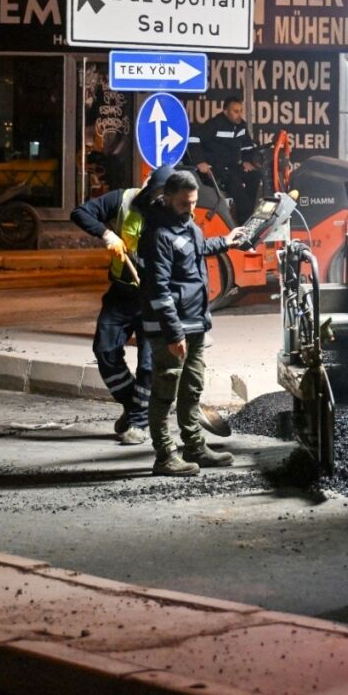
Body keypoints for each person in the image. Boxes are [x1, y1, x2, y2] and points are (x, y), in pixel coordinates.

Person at [140, 170, 248, 476]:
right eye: (185, 203)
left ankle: (194, 447)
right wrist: (174, 334)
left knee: (192, 388)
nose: (191, 208)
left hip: (196, 323)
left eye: (194, 202)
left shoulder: (187, 225)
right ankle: (164, 456)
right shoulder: (157, 235)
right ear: (168, 197)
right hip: (170, 330)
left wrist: (226, 242)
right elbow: (159, 291)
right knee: (165, 391)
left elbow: (196, 249)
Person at [70, 164, 171, 445]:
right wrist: (107, 234)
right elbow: (80, 213)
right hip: (121, 294)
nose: (158, 201)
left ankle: (139, 422)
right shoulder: (124, 199)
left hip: (153, 299)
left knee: (149, 366)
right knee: (105, 351)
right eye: (156, 194)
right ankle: (134, 406)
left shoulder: (174, 213)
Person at [188, 97, 261, 221]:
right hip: (215, 169)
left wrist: (247, 161)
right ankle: (244, 221)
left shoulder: (241, 126)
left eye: (240, 111)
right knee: (235, 184)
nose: (239, 114)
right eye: (235, 111)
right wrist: (200, 162)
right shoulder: (214, 124)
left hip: (233, 167)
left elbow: (247, 146)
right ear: (226, 112)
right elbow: (194, 138)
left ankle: (248, 210)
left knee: (255, 175)